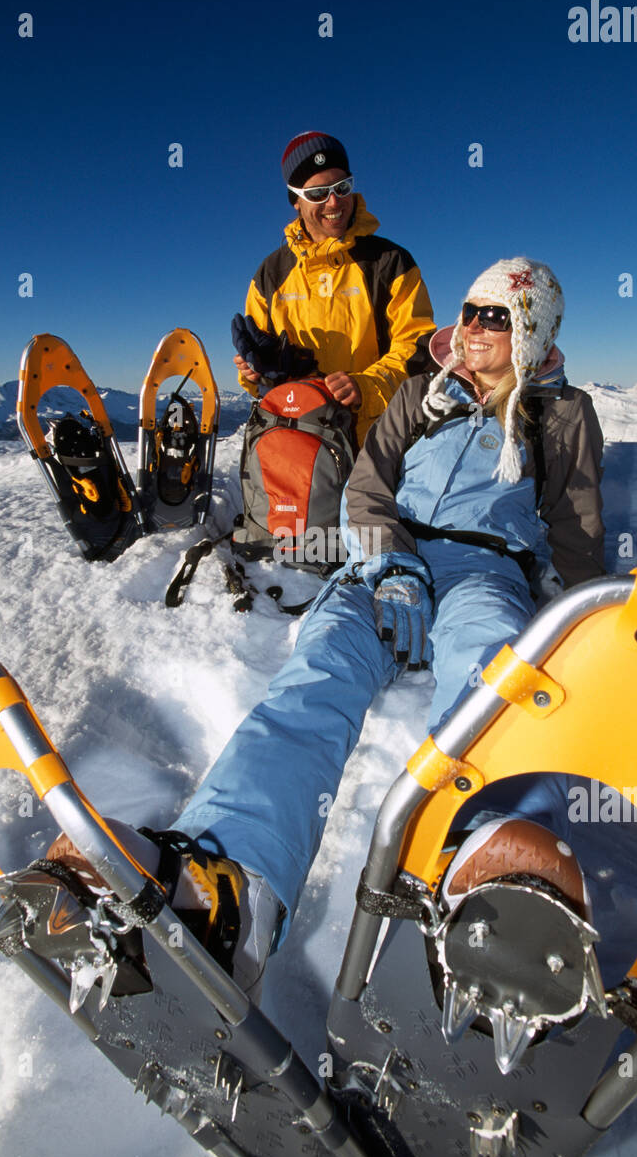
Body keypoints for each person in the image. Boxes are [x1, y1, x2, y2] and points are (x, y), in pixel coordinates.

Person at [52, 257, 608, 996]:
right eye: (469, 311)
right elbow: (370, 487)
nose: (471, 327)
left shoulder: (562, 414)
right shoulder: (422, 395)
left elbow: (576, 527)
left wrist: (587, 622)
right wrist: (390, 564)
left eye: (494, 316)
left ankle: (490, 870)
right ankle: (229, 885)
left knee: (487, 673)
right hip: (383, 565)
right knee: (315, 679)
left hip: (486, 569)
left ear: (532, 327)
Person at [231, 131, 436, 445]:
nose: (334, 202)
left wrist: (365, 388)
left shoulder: (389, 262)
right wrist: (253, 373)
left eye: (343, 188)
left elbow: (418, 348)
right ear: (296, 201)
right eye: (318, 194)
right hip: (296, 441)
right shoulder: (271, 274)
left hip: (377, 443)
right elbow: (256, 369)